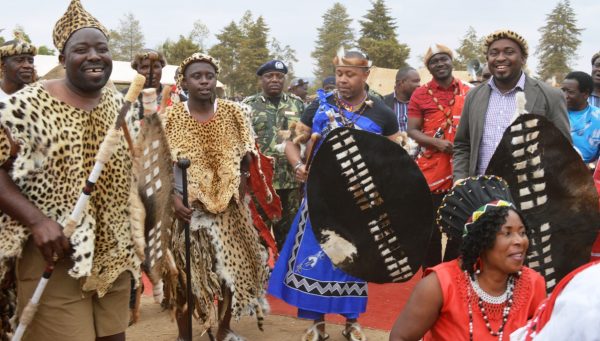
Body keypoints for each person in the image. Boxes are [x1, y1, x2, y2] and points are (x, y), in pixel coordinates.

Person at [0, 1, 143, 340]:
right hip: (54, 255)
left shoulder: (120, 106)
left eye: (102, 48)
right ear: (63, 60)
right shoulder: (25, 105)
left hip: (113, 256)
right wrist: (37, 221)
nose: (94, 55)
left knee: (113, 337)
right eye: (81, 49)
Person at [269, 48, 401, 341]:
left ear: (366, 75)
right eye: (339, 73)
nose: (342, 80)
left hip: (358, 202)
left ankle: (352, 322)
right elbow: (291, 144)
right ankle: (316, 324)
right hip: (319, 199)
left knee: (352, 262)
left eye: (350, 74)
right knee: (315, 258)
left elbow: (396, 160)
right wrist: (299, 165)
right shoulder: (318, 106)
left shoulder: (383, 114)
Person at [163, 53, 269, 341]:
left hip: (229, 208)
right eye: (197, 76)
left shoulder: (235, 113)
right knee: (186, 279)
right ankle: (184, 336)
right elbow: (161, 165)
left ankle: (223, 330)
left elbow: (248, 157)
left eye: (209, 75)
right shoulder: (171, 117)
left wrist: (243, 187)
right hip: (189, 209)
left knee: (230, 274)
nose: (204, 81)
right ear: (184, 82)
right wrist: (174, 199)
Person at [389, 176, 546, 341]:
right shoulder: (440, 285)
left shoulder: (533, 284)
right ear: (481, 240)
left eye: (522, 232)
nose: (520, 241)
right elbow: (401, 337)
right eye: (507, 233)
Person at [453, 29, 570, 180]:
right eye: (494, 53)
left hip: (529, 195)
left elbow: (562, 150)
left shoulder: (550, 96)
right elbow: (463, 144)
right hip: (481, 192)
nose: (500, 58)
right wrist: (460, 180)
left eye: (509, 52)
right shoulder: (473, 96)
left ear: (523, 58)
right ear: (487, 59)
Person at [407, 44, 470, 267]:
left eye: (444, 59)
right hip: (431, 172)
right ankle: (431, 275)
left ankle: (451, 276)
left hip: (462, 170)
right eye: (434, 62)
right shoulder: (420, 94)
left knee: (459, 227)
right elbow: (412, 130)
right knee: (431, 230)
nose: (440, 64)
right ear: (429, 68)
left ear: (451, 61)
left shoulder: (469, 91)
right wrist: (437, 143)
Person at [243, 60, 305, 250]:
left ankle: (285, 277)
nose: (275, 80)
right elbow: (241, 143)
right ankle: (258, 276)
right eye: (269, 76)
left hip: (290, 182)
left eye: (279, 76)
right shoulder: (248, 105)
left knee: (289, 238)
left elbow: (305, 138)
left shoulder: (298, 105)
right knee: (257, 235)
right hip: (260, 183)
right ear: (261, 79)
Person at [561, 71, 600, 164]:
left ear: (585, 94)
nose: (564, 96)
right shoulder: (554, 113)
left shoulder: (597, 117)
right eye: (563, 90)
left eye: (570, 92)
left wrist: (590, 167)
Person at [384, 66, 421, 133]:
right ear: (401, 83)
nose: (419, 85)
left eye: (419, 81)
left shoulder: (421, 104)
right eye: (415, 81)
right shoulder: (383, 103)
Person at [0, 33, 36, 100]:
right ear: (2, 65)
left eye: (31, 61)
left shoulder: (37, 97)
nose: (28, 65)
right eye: (19, 60)